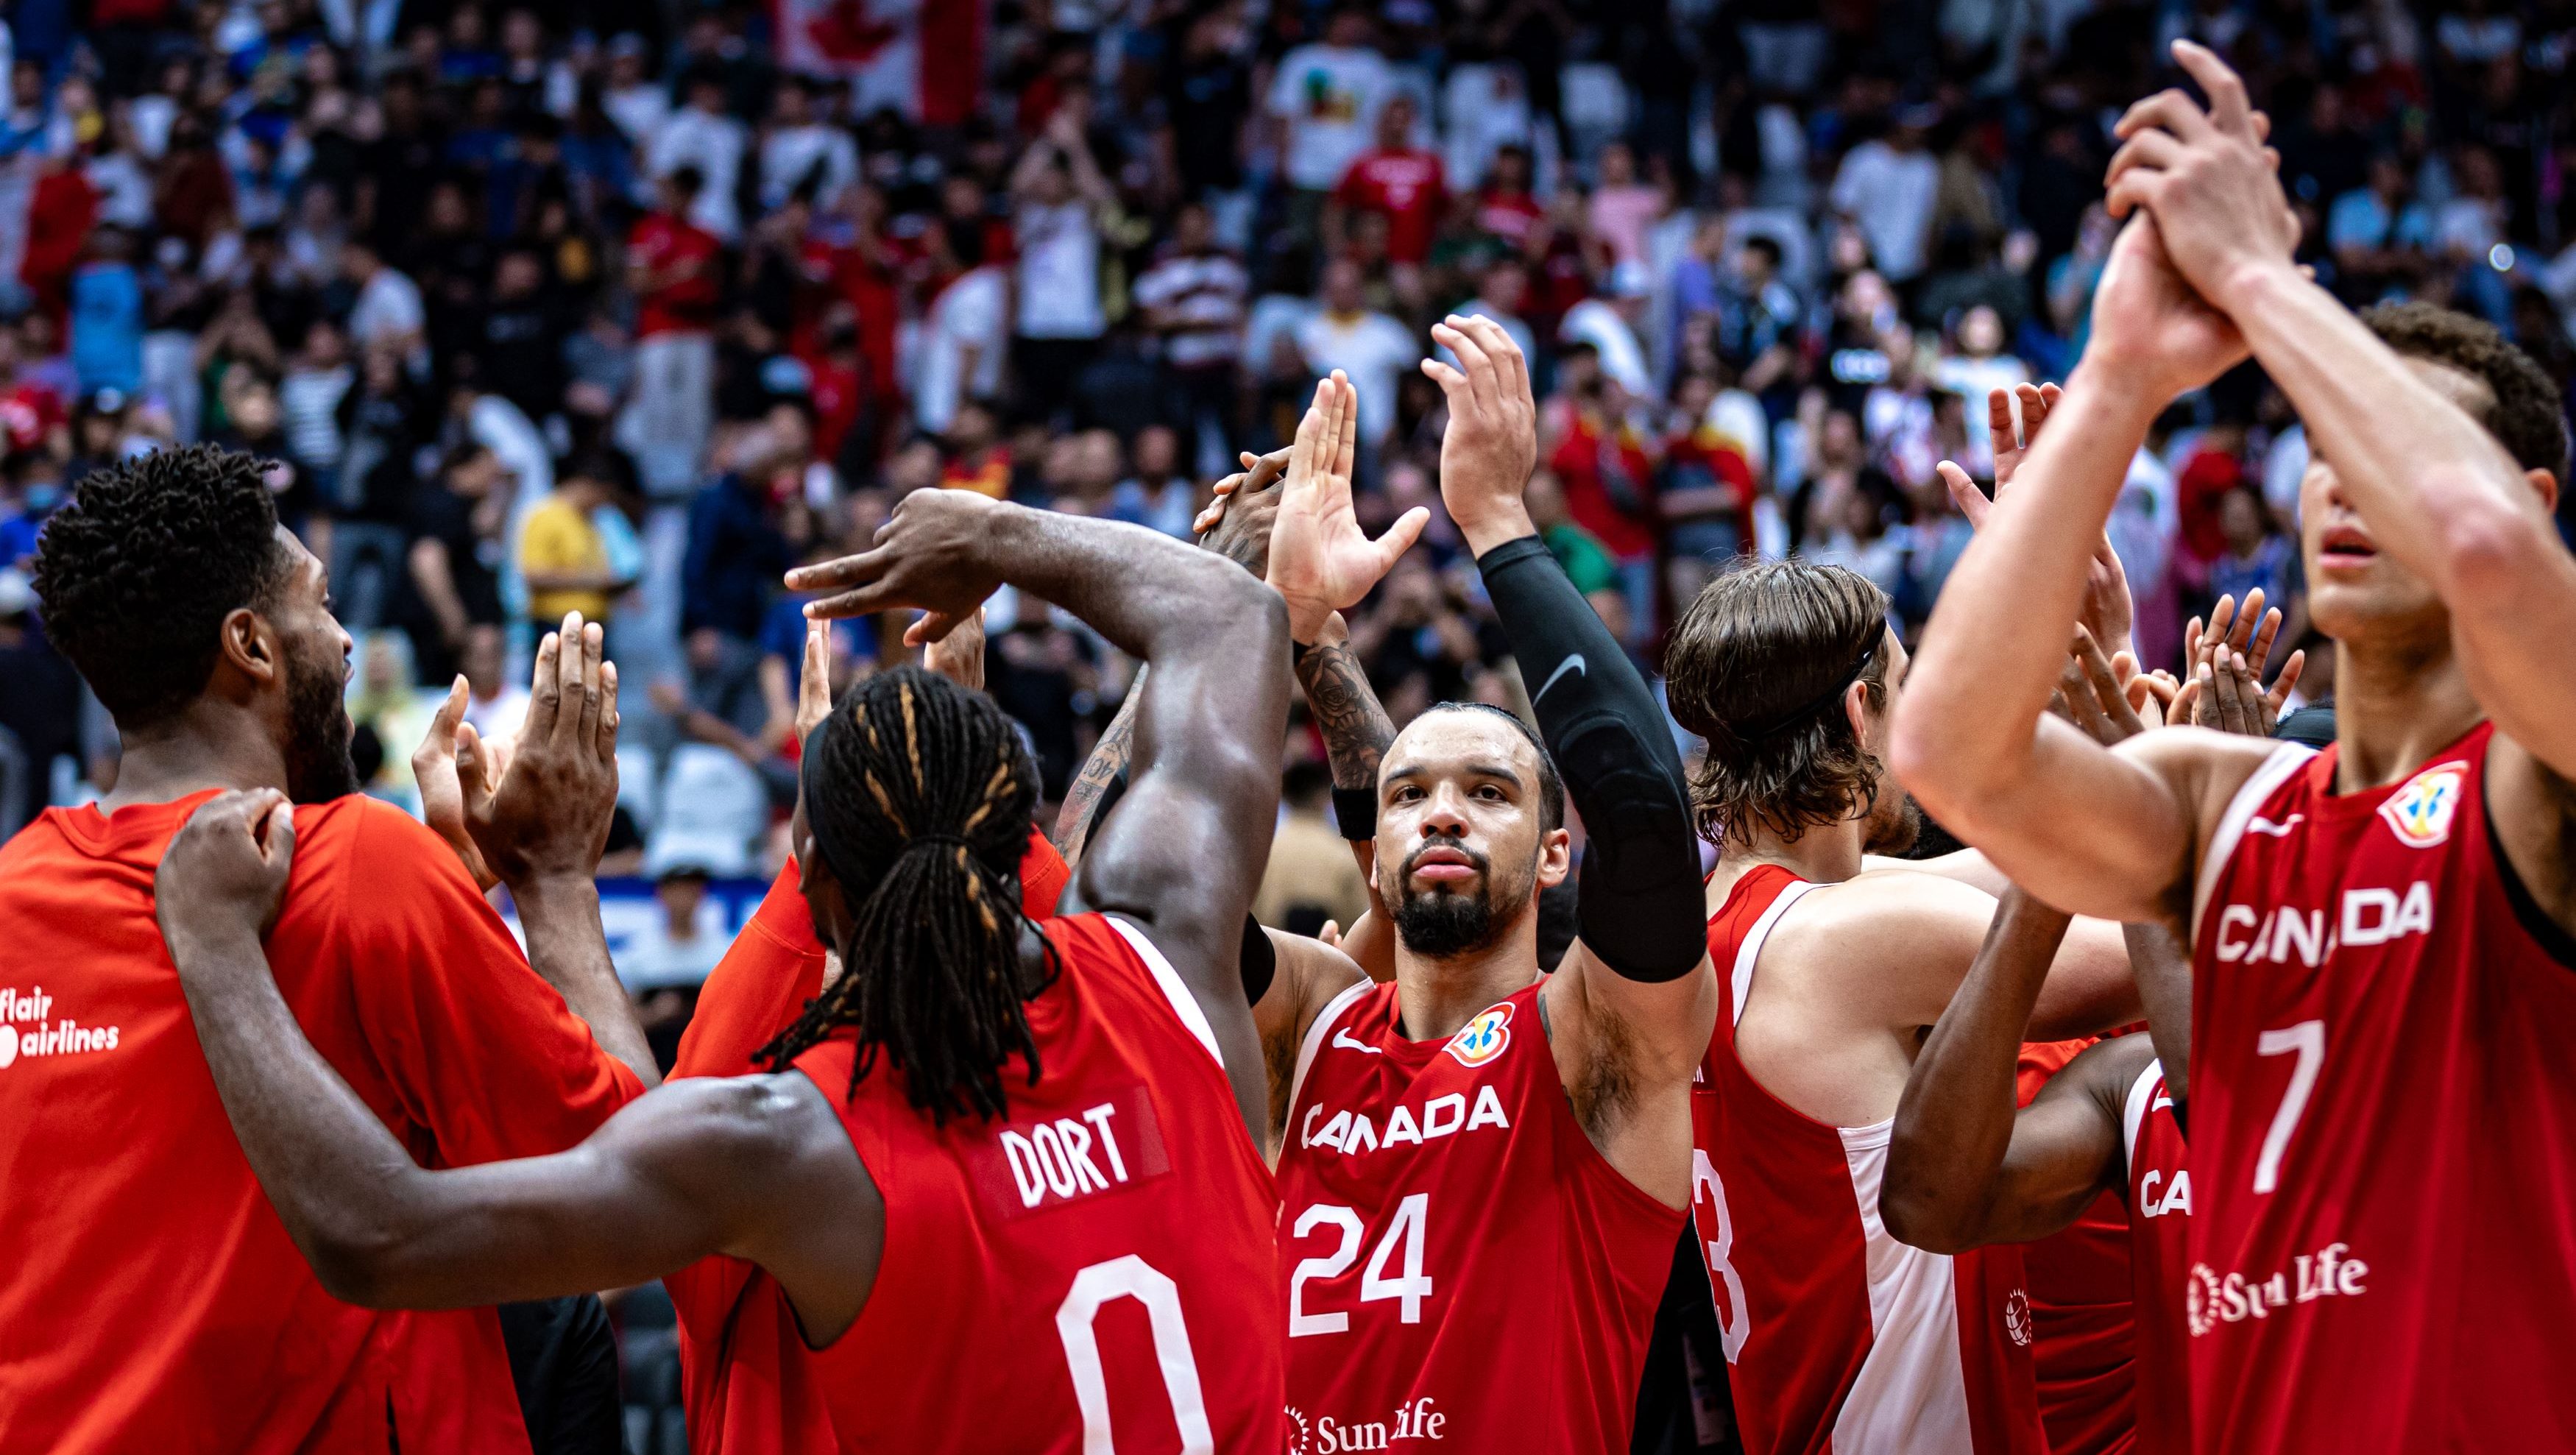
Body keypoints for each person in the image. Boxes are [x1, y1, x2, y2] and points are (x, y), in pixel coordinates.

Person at [150, 478, 1313, 1453]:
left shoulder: (792, 1145)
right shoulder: (1174, 963)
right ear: (1032, 842)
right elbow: (1234, 621)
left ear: (815, 891)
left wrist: (214, 948)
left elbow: (381, 1234)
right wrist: (994, 534)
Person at [1894, 41, 2576, 1451]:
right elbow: (1952, 751)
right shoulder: (2231, 800)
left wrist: (2269, 288)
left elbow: (2490, 557)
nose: (2341, 480)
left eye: (2381, 444)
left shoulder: (2533, 773)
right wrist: (2118, 380)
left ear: (2531, 490)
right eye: (2318, 451)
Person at [2, 446, 653, 1453]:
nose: (347, 642)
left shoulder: (14, 896)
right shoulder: (357, 864)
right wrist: (555, 878)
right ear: (253, 646)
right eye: (322, 604)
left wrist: (449, 899)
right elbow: (636, 1187)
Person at [1252, 326, 1717, 1449]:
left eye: (1490, 793)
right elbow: (1130, 905)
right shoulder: (1308, 1022)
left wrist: (1499, 523)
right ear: (1374, 853)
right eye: (1407, 793)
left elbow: (1647, 810)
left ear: (1557, 851)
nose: (1443, 810)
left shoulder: (1597, 1040)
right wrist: (1273, 623)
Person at [1659, 556, 2142, 1455]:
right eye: (1903, 691)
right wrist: (2148, 751)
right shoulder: (1854, 936)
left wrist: (2072, 644)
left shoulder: (1722, 922)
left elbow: (2017, 861)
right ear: (1857, 713)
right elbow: (2143, 948)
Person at [662, 617, 1072, 1455]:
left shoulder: (758, 1140)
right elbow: (1063, 940)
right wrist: (970, 773)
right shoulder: (1070, 1085)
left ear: (820, 884)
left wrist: (821, 824)